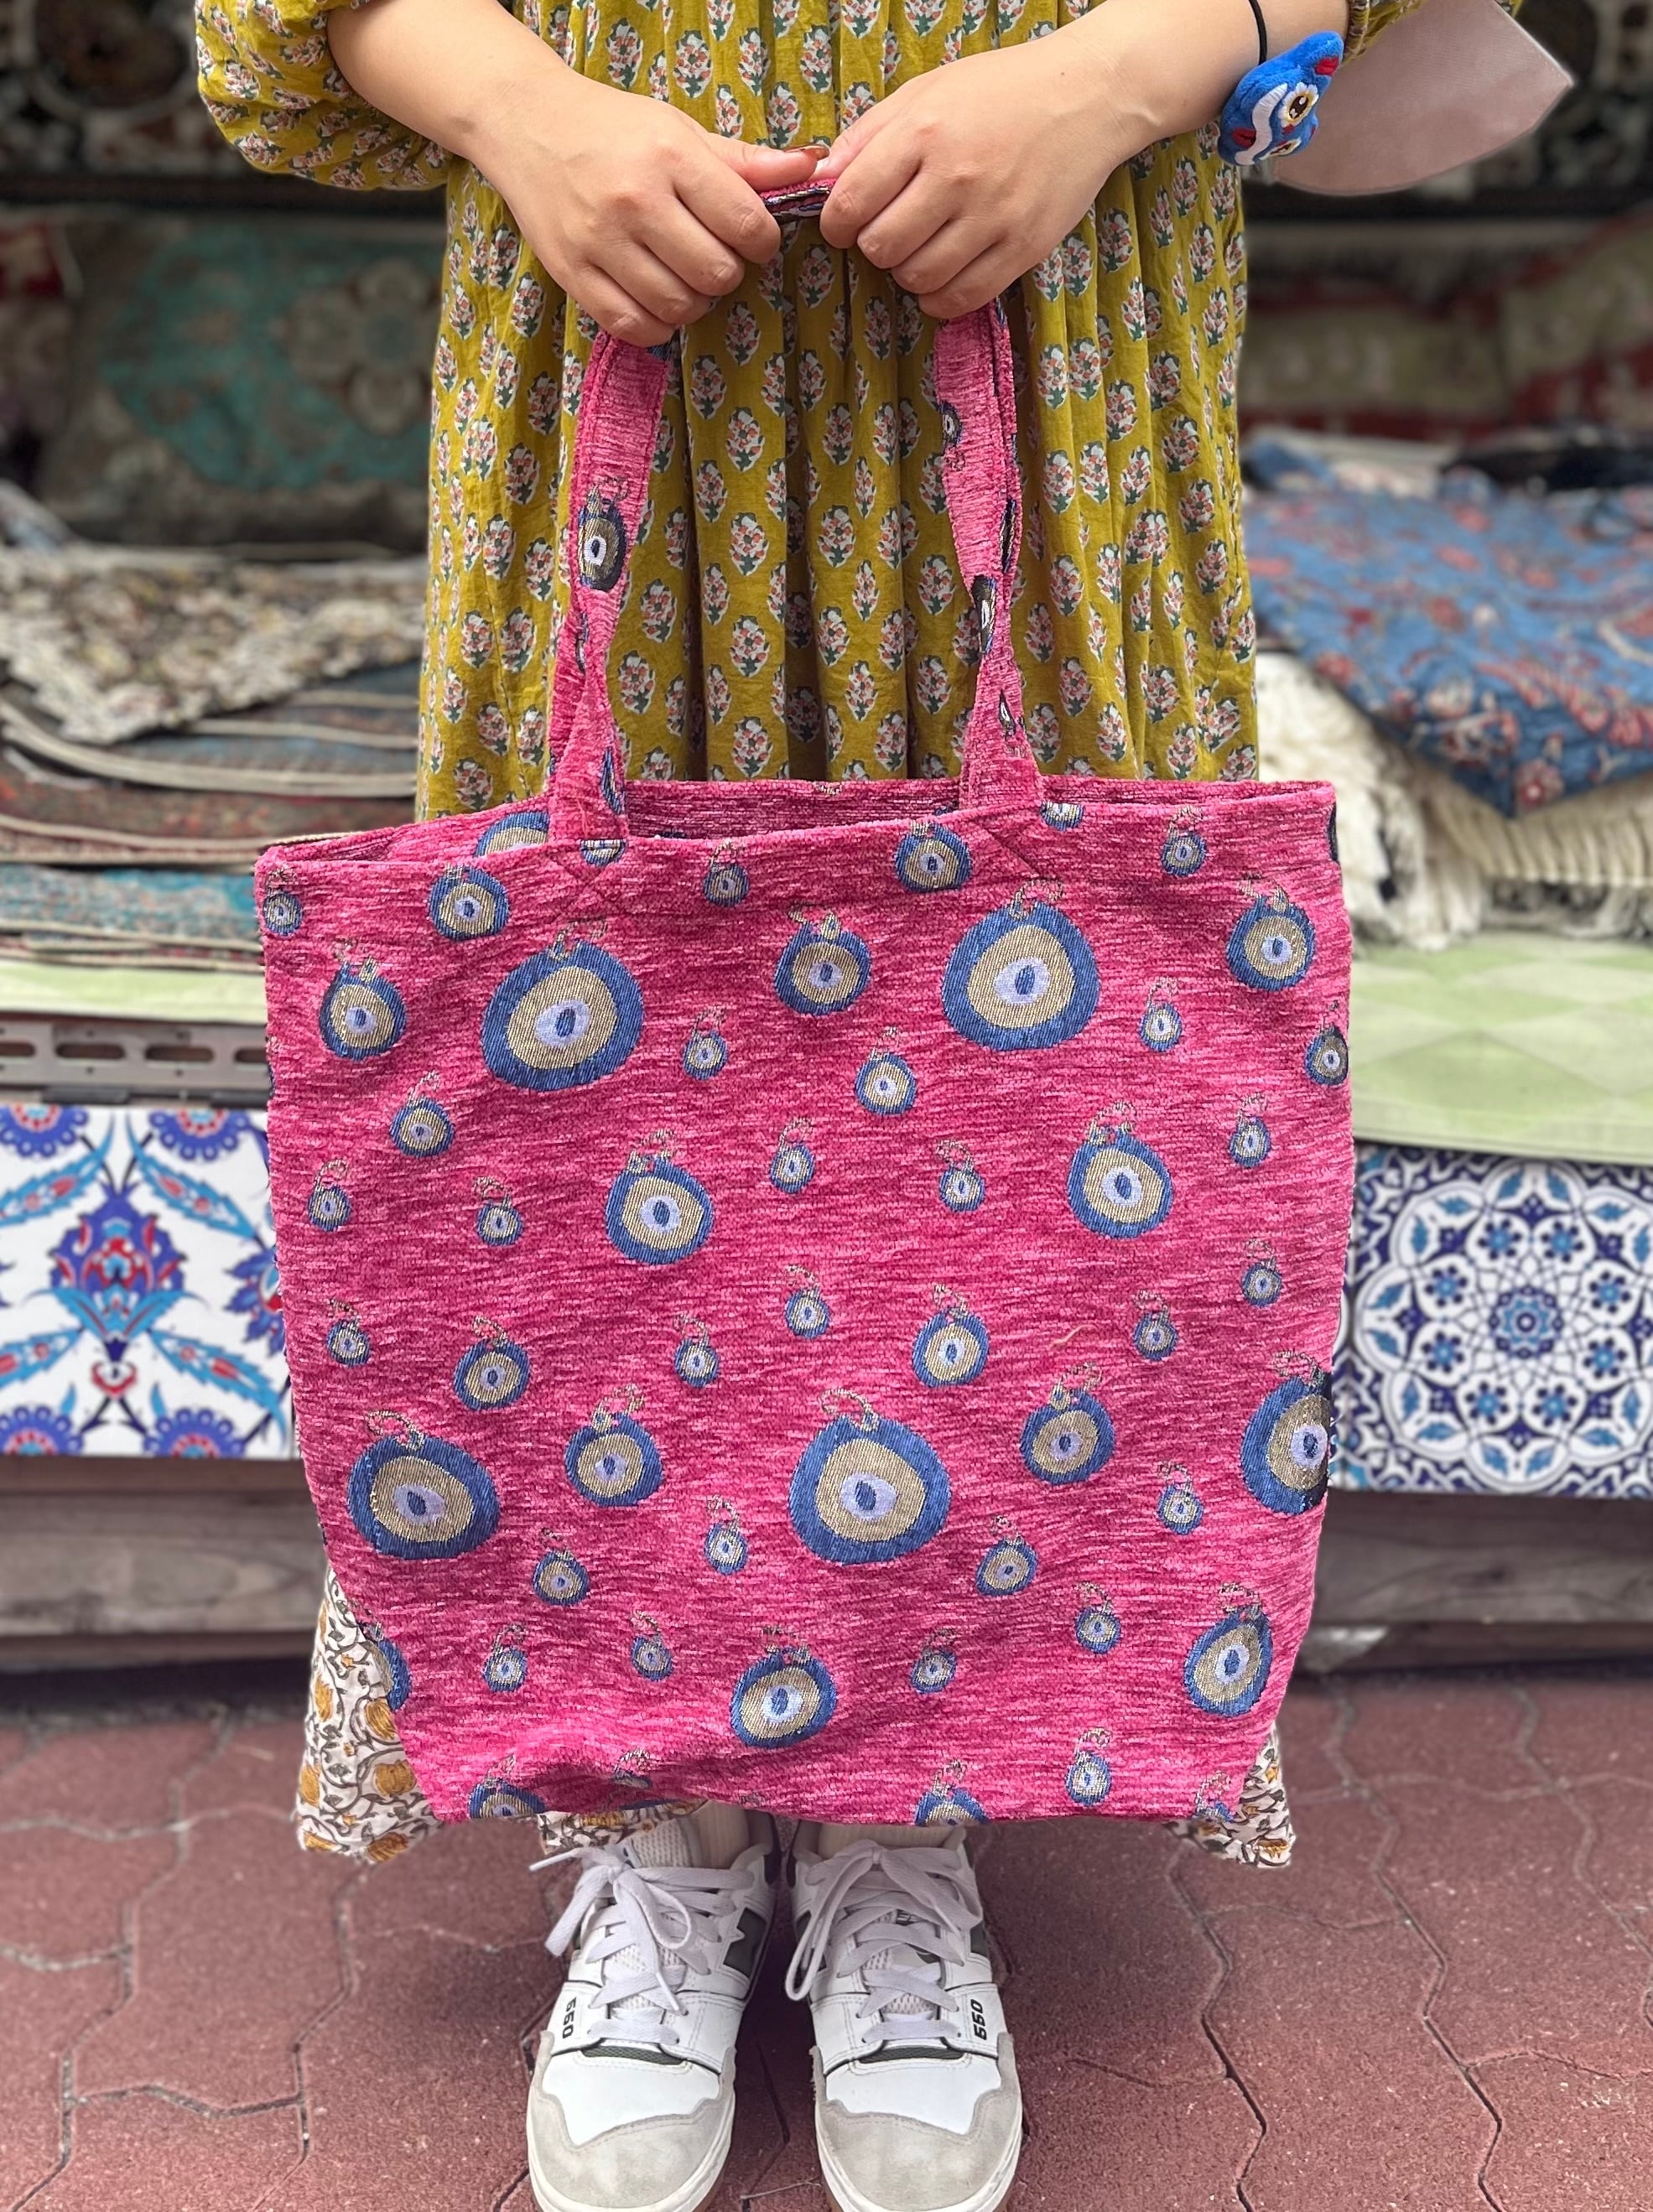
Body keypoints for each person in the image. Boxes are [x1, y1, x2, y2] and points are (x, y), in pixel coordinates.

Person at [196, 4, 1455, 2209]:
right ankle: (655, 1822)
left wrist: (1130, 68)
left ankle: (914, 1813)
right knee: (587, 1157)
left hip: (1059, 282)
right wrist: (518, 104)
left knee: (1023, 1151)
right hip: (604, 269)